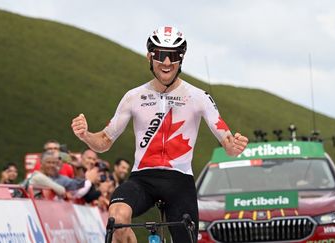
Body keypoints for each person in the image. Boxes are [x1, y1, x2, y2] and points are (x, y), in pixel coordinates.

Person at [71, 26, 248, 243]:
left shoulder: (198, 96)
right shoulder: (133, 96)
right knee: (117, 218)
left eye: (173, 56)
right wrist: (86, 135)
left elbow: (227, 142)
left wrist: (234, 147)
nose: (166, 63)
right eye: (161, 55)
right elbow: (105, 141)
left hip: (179, 180)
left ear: (181, 58)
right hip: (142, 178)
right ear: (150, 56)